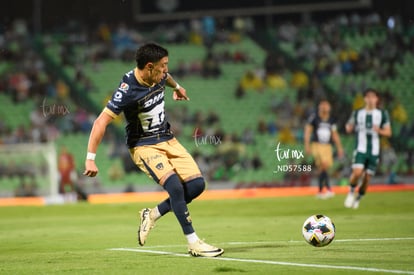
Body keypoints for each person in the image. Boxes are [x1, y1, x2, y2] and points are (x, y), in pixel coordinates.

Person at [83, 43, 224, 257]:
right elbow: (100, 122)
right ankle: (194, 243)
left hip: (167, 138)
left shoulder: (158, 74)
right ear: (149, 67)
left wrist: (177, 87)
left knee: (196, 185)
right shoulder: (128, 90)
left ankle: (152, 214)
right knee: (175, 187)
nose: (166, 70)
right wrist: (90, 158)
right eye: (163, 65)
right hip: (143, 145)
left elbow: (166, 77)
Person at [344, 88, 392, 209]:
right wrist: (348, 127)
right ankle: (351, 192)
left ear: (377, 99)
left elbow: (388, 132)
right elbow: (349, 125)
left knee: (366, 178)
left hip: (374, 151)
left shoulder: (382, 114)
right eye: (368, 97)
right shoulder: (357, 113)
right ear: (365, 99)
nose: (370, 99)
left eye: (373, 97)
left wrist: (379, 130)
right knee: (357, 172)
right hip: (360, 148)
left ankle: (359, 197)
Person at [304, 100, 344, 199]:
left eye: (326, 105)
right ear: (319, 107)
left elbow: (334, 134)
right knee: (324, 165)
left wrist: (339, 147)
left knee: (323, 168)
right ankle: (329, 189)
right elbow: (308, 131)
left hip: (327, 146)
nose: (325, 107)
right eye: (323, 105)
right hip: (317, 145)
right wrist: (307, 145)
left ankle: (321, 191)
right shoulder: (314, 118)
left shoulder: (331, 120)